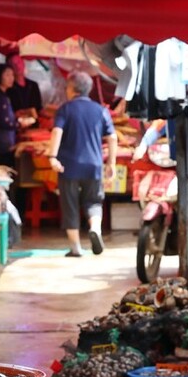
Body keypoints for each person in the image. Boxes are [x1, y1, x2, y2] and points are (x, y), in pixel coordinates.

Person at [48, 71, 118, 257]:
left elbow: (57, 132)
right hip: (93, 164)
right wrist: (111, 162)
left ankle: (75, 247)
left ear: (71, 88)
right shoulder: (100, 110)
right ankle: (95, 228)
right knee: (93, 201)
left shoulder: (65, 109)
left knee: (69, 204)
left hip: (68, 165)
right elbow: (112, 137)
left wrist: (52, 157)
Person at [0, 64, 36, 167]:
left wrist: (15, 115)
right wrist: (21, 123)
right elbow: (5, 122)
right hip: (1, 145)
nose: (11, 78)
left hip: (1, 144)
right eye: (7, 75)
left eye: (12, 75)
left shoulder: (1, 95)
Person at [7, 54, 43, 120]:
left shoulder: (33, 85)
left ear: (23, 63)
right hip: (16, 125)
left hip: (34, 124)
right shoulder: (8, 88)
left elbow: (39, 109)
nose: (17, 66)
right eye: (13, 64)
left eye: (19, 62)